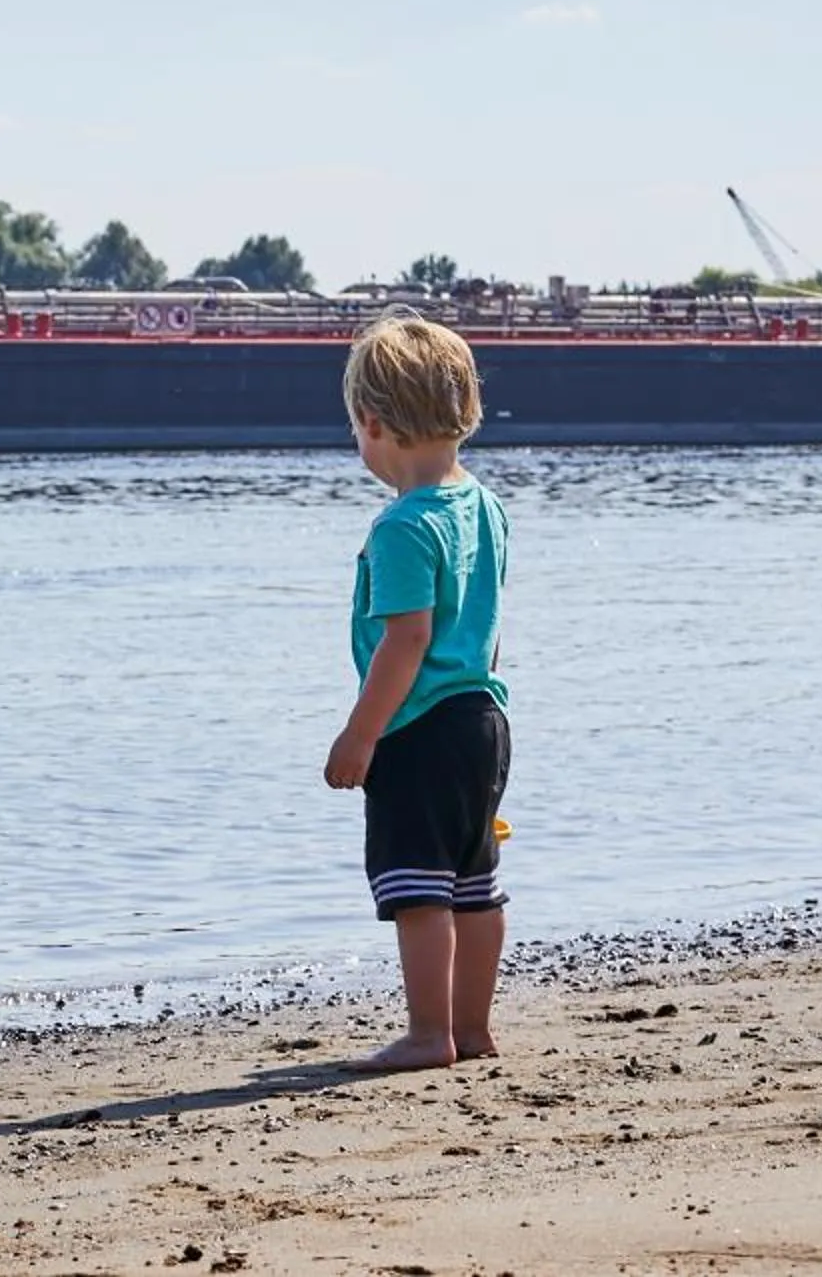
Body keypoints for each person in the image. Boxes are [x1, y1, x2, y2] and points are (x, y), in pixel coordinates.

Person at [320, 311, 512, 1073]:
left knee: (418, 888)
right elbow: (484, 619)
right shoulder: (483, 506)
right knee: (475, 880)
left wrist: (361, 733)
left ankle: (429, 1032)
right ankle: (473, 1026)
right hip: (485, 717)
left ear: (372, 424)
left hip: (420, 727)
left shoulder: (404, 526)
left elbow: (406, 640)